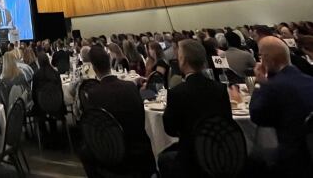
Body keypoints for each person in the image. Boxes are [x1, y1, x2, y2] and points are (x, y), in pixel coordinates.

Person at [158, 40, 231, 178]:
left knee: (163, 157)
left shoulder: (176, 93)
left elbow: (170, 129)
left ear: (183, 60)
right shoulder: (220, 89)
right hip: (219, 152)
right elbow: (227, 121)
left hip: (191, 158)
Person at [82, 46, 156, 177]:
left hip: (112, 153)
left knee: (85, 151)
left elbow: (94, 127)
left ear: (94, 68)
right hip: (138, 151)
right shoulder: (130, 87)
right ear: (110, 63)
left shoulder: (92, 95)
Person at [249, 37, 313, 176]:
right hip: (308, 153)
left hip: (292, 160)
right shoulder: (309, 80)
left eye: (260, 56)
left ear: (266, 59)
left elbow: (256, 115)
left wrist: (259, 83)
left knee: (253, 161)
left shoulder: (273, 87)